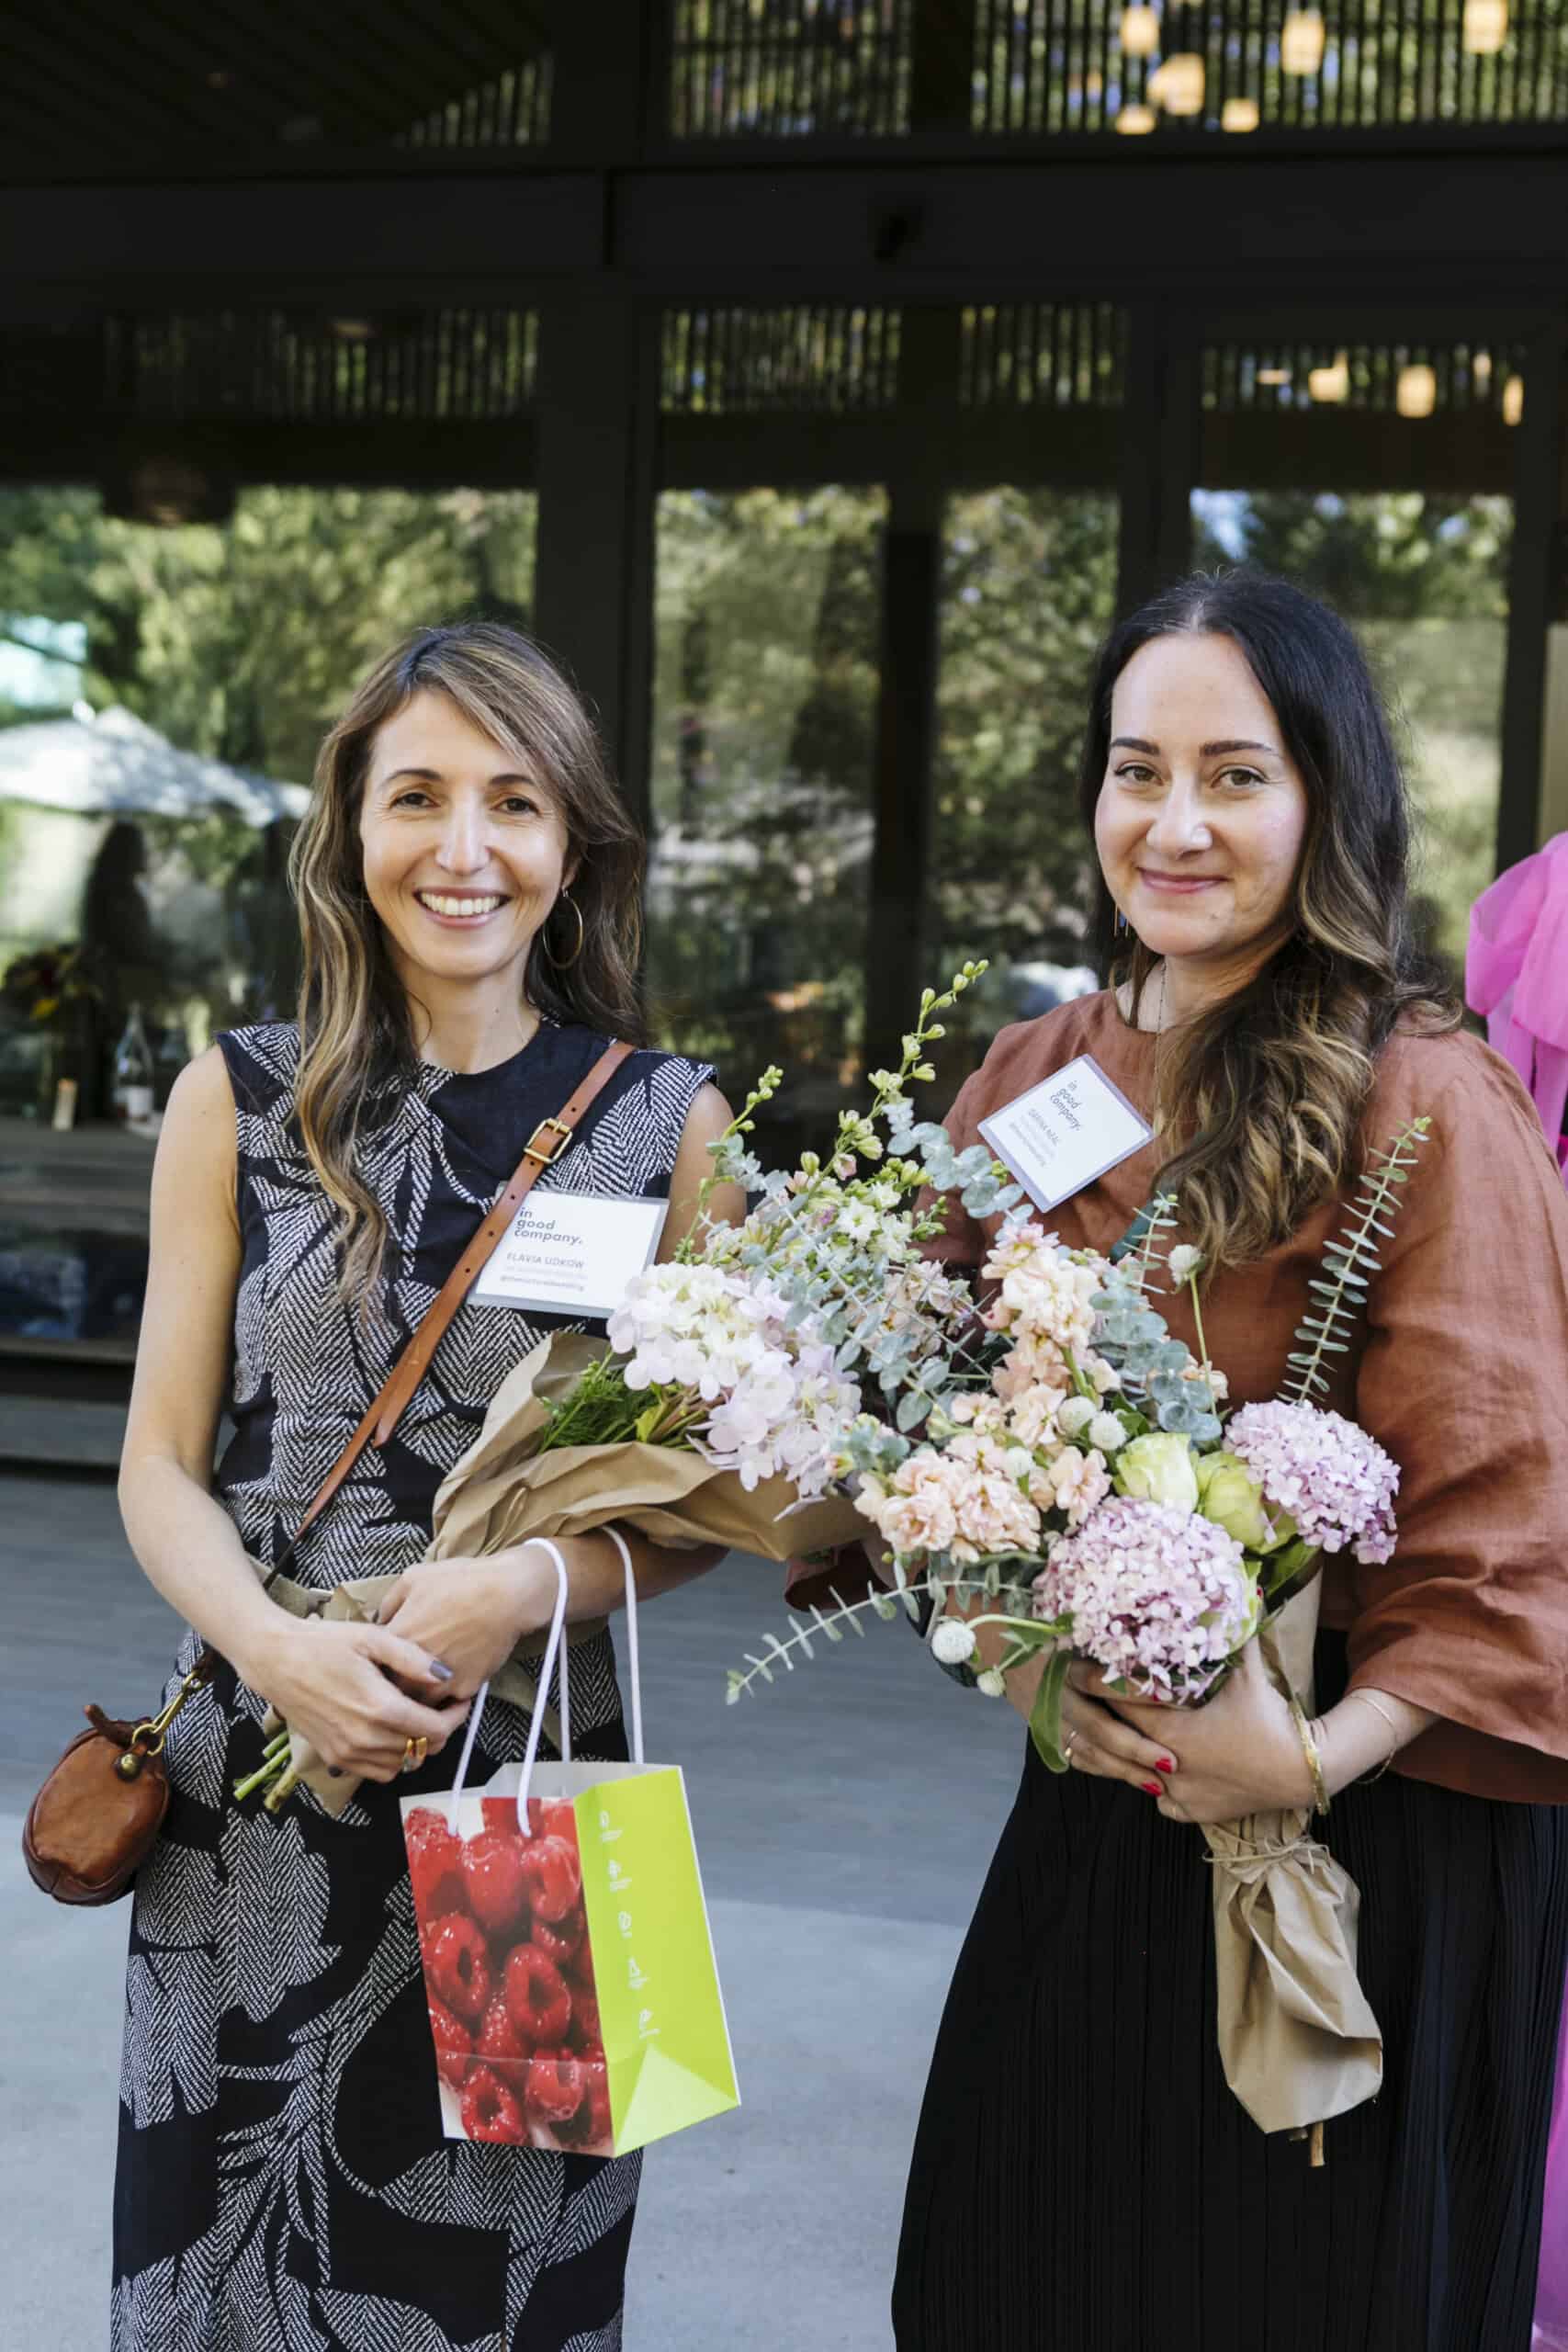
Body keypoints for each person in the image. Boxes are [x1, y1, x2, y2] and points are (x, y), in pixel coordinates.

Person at [891, 571, 1568, 2352]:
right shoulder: (1034, 1072)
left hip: (1373, 1845)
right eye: (1137, 770)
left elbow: (1509, 1531)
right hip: (1101, 1810)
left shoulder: (1425, 1095)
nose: (1172, 824)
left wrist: (1303, 1751)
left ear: (1326, 800)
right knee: (1005, 2279)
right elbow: (912, 1419)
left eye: (1233, 775)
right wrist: (1020, 1655)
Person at [112, 620, 743, 2351]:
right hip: (253, 1787)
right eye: (418, 797)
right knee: (224, 2289)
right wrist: (275, 1648)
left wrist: (521, 1588)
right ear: (353, 827)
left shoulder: (670, 1124)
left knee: (504, 2286)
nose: (464, 849)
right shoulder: (236, 1097)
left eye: (513, 803)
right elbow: (159, 1464)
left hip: (534, 1780)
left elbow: (705, 1499)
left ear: (574, 845)